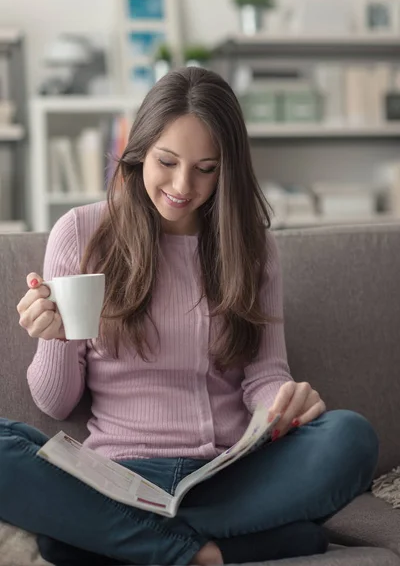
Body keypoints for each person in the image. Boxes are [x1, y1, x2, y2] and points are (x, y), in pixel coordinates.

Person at [1, 67, 378, 566]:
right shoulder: (81, 233)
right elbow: (55, 403)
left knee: (350, 437)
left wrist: (282, 406)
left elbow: (265, 373)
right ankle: (204, 553)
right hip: (117, 475)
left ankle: (105, 539)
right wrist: (54, 336)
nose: (183, 186)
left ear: (228, 169)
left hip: (226, 473)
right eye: (168, 161)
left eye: (206, 168)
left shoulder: (251, 245)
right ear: (140, 150)